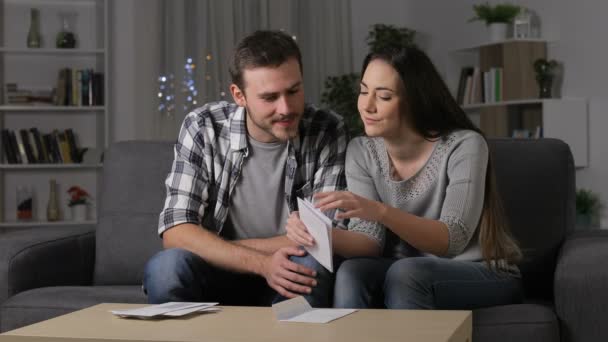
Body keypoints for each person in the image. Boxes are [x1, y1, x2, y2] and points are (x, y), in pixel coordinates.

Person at [285, 46, 523, 310]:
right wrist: (316, 232)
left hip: (479, 271)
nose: (367, 106)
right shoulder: (362, 152)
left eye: (383, 96)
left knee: (407, 273)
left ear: (414, 100)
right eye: (364, 91)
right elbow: (369, 240)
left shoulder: (464, 145)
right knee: (352, 273)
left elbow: (453, 239)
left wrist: (381, 211)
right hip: (405, 270)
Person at [142, 30, 349, 308]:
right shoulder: (203, 127)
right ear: (239, 95)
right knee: (167, 268)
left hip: (288, 269)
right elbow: (177, 232)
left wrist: (216, 245)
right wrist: (261, 263)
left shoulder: (327, 129)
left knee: (313, 264)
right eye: (269, 97)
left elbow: (322, 239)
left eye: (293, 91)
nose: (286, 108)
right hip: (217, 271)